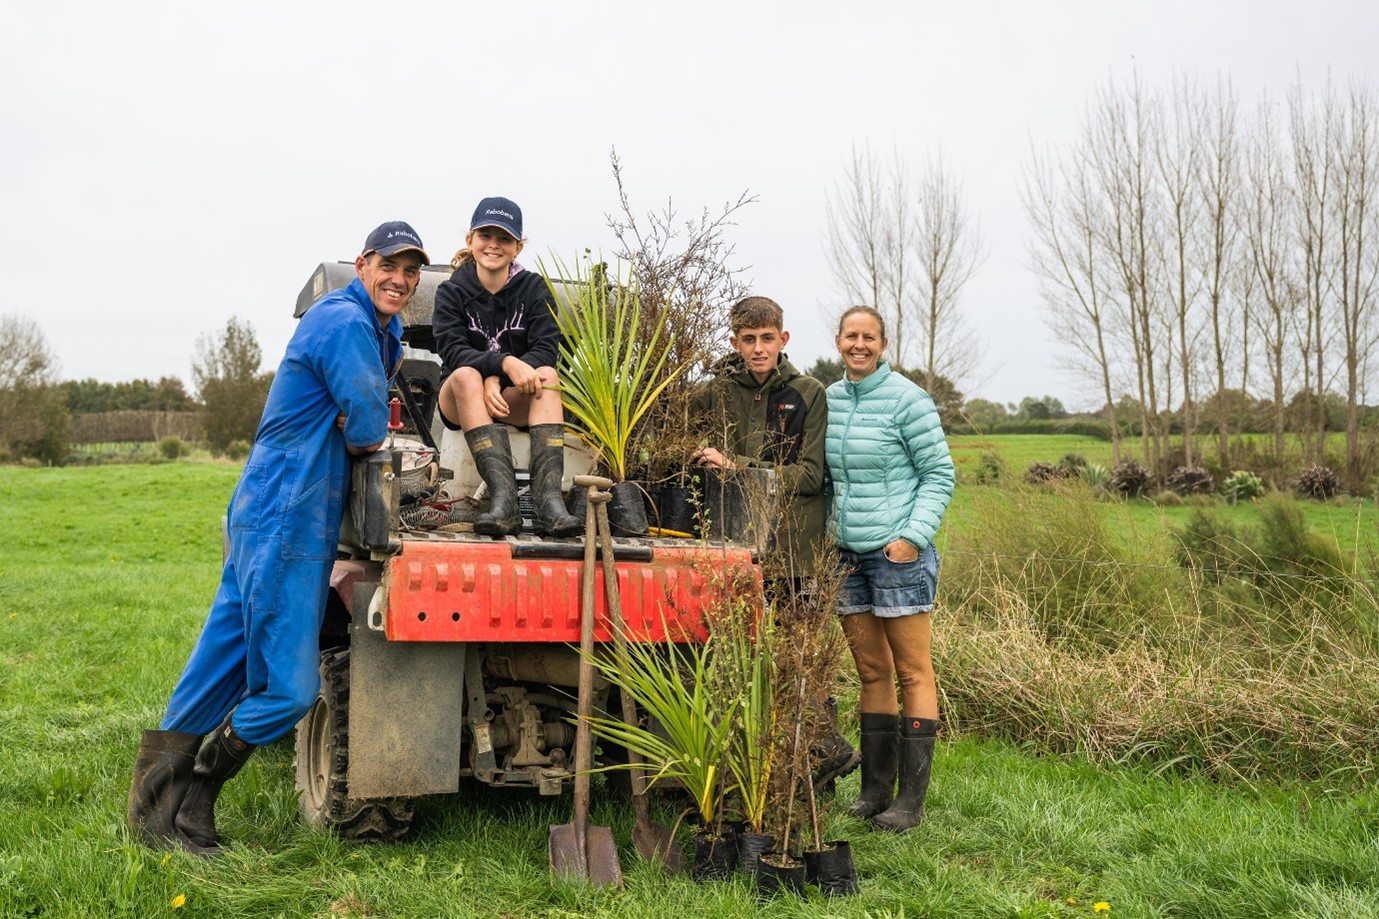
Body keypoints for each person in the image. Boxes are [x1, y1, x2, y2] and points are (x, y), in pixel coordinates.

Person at [127, 221, 429, 854]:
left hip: (270, 503)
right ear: (362, 262)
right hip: (288, 511)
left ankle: (154, 815)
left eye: (411, 270)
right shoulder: (343, 322)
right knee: (292, 689)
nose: (399, 280)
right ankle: (198, 795)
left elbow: (368, 390)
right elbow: (369, 421)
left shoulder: (375, 325)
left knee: (222, 659)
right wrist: (358, 428)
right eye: (389, 266)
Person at [690, 295, 858, 789]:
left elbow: (809, 476)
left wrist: (737, 468)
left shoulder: (809, 393)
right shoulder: (715, 394)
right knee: (741, 658)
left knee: (798, 658)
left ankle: (823, 760)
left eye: (767, 338)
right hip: (731, 548)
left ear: (784, 339)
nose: (758, 349)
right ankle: (768, 766)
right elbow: (679, 438)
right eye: (748, 340)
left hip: (792, 551)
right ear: (735, 342)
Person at [825, 305, 954, 832]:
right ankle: (874, 792)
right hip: (846, 557)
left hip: (896, 554)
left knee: (912, 671)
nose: (860, 345)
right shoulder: (829, 401)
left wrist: (912, 538)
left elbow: (939, 473)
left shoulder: (908, 399)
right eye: (851, 336)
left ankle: (910, 803)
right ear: (838, 342)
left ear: (882, 344)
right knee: (871, 672)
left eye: (869, 337)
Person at [432, 196, 579, 538]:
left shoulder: (533, 288)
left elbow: (546, 349)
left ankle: (548, 505)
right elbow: (453, 352)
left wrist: (498, 379)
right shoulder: (452, 291)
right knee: (467, 376)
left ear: (518, 247)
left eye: (504, 239)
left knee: (548, 376)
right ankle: (503, 501)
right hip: (460, 398)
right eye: (486, 235)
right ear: (470, 240)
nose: (493, 245)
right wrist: (502, 364)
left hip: (509, 398)